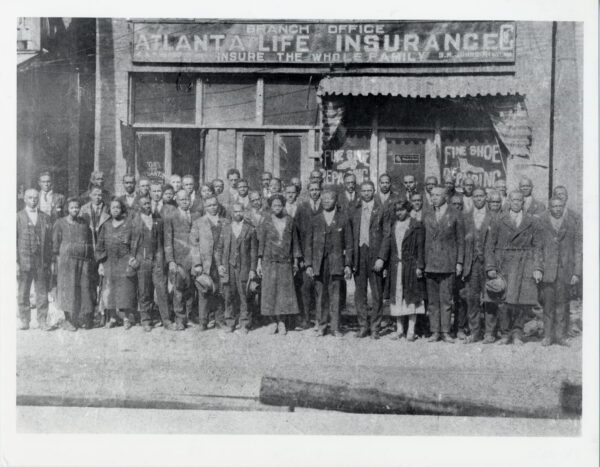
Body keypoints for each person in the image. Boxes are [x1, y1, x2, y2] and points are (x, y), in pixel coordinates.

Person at [485, 191, 543, 345]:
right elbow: (489, 245)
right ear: (508, 201)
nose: (517, 202)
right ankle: (504, 334)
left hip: (525, 263)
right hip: (503, 263)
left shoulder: (532, 221)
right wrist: (490, 266)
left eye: (519, 200)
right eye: (514, 200)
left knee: (520, 301)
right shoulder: (498, 219)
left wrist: (537, 268)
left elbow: (537, 246)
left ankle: (517, 333)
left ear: (523, 202)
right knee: (503, 301)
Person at [304, 189, 352, 337]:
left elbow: (349, 244)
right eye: (323, 199)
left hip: (336, 263)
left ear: (335, 200)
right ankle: (322, 325)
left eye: (329, 199)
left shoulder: (343, 218)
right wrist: (309, 264)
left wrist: (348, 264)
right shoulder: (315, 219)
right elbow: (308, 244)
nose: (326, 201)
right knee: (320, 296)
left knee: (336, 295)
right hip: (319, 263)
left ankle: (336, 327)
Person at [423, 186, 465, 343]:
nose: (433, 198)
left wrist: (459, 262)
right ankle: (435, 331)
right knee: (433, 301)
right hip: (430, 263)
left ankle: (446, 331)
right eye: (431, 195)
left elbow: (461, 241)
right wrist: (422, 263)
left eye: (437, 195)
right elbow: (423, 241)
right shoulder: (427, 214)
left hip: (448, 264)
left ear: (445, 197)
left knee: (446, 300)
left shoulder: (455, 215)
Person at [538, 197, 582, 346]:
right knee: (548, 305)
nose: (557, 209)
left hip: (565, 271)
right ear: (549, 207)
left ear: (564, 207)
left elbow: (577, 249)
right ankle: (548, 336)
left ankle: (560, 336)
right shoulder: (542, 223)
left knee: (562, 304)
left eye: (560, 206)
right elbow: (537, 248)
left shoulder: (571, 224)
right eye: (554, 206)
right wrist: (538, 268)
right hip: (548, 271)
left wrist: (576, 272)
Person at [257, 194, 301, 334]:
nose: (277, 208)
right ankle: (273, 322)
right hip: (269, 262)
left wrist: (295, 262)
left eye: (279, 205)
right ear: (270, 207)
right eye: (274, 205)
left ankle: (282, 322)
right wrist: (259, 263)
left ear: (283, 206)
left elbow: (295, 243)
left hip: (285, 262)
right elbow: (261, 243)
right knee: (270, 292)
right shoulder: (266, 221)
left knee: (283, 293)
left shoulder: (290, 221)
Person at [349, 181, 388, 339]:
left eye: (369, 190)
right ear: (360, 192)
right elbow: (350, 236)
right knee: (360, 294)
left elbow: (387, 235)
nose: (366, 193)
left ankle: (375, 327)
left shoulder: (381, 210)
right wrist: (350, 260)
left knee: (377, 294)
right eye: (363, 190)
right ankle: (363, 325)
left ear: (374, 191)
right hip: (359, 254)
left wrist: (381, 258)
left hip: (375, 255)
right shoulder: (355, 210)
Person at [383, 200, 426, 341]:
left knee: (411, 297)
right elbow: (390, 246)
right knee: (398, 297)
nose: (399, 213)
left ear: (407, 210)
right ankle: (400, 329)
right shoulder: (394, 225)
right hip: (396, 266)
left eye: (401, 210)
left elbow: (420, 247)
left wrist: (420, 266)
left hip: (411, 266)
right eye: (397, 210)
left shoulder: (416, 225)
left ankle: (411, 330)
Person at [52, 197, 95, 331]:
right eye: (72, 207)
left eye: (77, 207)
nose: (75, 210)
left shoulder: (84, 223)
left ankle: (81, 318)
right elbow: (55, 244)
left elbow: (88, 240)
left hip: (83, 261)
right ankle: (68, 319)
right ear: (67, 209)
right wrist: (57, 260)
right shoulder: (60, 223)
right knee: (68, 289)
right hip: (67, 262)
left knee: (83, 288)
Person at [215, 202, 258, 334]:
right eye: (235, 211)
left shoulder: (250, 229)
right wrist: (220, 265)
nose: (237, 214)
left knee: (244, 295)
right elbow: (219, 249)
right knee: (229, 295)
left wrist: (252, 269)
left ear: (244, 212)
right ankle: (230, 322)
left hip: (243, 267)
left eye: (240, 211)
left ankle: (245, 323)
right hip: (228, 267)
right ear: (231, 213)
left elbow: (253, 252)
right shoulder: (226, 228)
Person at [95, 197, 138, 329]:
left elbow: (134, 243)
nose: (115, 210)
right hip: (109, 261)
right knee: (110, 289)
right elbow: (100, 245)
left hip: (124, 260)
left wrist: (133, 258)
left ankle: (126, 318)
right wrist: (101, 263)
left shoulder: (129, 224)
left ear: (122, 209)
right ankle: (113, 317)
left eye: (118, 207)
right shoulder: (106, 225)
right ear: (109, 209)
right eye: (113, 207)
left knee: (125, 290)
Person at [130, 195, 171, 332]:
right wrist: (132, 258)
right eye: (145, 204)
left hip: (157, 259)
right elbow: (129, 243)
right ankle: (146, 320)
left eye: (149, 203)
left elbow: (162, 242)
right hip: (142, 260)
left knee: (162, 289)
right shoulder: (134, 221)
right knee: (144, 290)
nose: (148, 206)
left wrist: (161, 259)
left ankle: (166, 320)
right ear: (139, 206)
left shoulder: (157, 221)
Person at [164, 190, 202, 330]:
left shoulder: (196, 215)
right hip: (179, 259)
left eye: (187, 199)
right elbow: (167, 241)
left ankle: (190, 315)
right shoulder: (171, 216)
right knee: (178, 290)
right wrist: (171, 261)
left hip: (194, 257)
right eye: (182, 199)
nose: (185, 201)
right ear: (177, 201)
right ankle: (180, 318)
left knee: (191, 289)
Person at [17, 189, 53, 331]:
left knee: (42, 291)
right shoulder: (18, 217)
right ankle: (25, 320)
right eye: (30, 198)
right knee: (23, 291)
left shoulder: (45, 217)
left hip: (41, 260)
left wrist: (50, 262)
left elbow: (49, 242)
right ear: (25, 199)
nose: (33, 200)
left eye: (35, 198)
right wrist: (15, 262)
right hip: (24, 260)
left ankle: (42, 320)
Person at [461, 187, 494, 343]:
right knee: (472, 299)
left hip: (488, 265)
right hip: (471, 264)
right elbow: (461, 242)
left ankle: (489, 332)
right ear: (472, 198)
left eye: (481, 196)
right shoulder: (465, 217)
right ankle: (475, 332)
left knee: (490, 298)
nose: (479, 199)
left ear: (486, 197)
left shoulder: (494, 216)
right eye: (476, 196)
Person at [190, 195, 226, 330]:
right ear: (205, 207)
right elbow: (194, 244)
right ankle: (203, 321)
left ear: (218, 205)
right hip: (206, 263)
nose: (212, 207)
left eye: (215, 205)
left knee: (220, 291)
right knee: (204, 291)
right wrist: (197, 263)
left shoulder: (224, 222)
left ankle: (219, 320)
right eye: (209, 205)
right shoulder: (198, 222)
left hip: (220, 262)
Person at [295, 181, 323, 328]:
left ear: (321, 190)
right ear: (307, 191)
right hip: (306, 255)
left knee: (320, 289)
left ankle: (320, 320)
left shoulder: (326, 206)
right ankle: (306, 319)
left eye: (317, 189)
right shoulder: (302, 208)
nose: (314, 192)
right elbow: (296, 234)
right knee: (305, 289)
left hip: (321, 255)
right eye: (312, 189)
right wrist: (299, 258)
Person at [448, 193, 467, 339]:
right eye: (454, 204)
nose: (457, 207)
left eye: (459, 204)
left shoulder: (467, 219)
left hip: (464, 264)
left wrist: (461, 262)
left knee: (461, 297)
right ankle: (446, 328)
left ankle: (460, 327)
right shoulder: (447, 219)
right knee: (448, 297)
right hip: (448, 263)